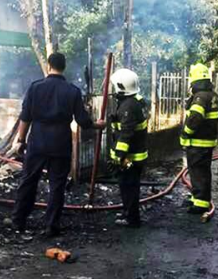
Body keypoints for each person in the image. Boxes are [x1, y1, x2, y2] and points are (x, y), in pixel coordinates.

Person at [11, 53, 104, 237]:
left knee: (29, 181)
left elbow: (25, 117)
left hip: (37, 141)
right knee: (57, 185)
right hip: (60, 142)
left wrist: (21, 140)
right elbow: (83, 121)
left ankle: (18, 221)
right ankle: (51, 225)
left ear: (48, 66)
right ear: (64, 67)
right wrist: (97, 125)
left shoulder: (35, 87)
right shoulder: (72, 91)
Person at [108, 68, 149, 229]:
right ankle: (127, 212)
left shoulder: (128, 106)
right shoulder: (134, 101)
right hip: (133, 155)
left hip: (130, 157)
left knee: (129, 188)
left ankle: (132, 219)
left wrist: (118, 157)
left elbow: (126, 134)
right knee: (127, 186)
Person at [181, 63, 218, 215]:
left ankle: (201, 203)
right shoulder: (212, 96)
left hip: (198, 142)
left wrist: (186, 132)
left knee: (198, 172)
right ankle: (197, 197)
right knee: (200, 172)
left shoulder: (200, 98)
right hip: (206, 141)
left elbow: (195, 118)